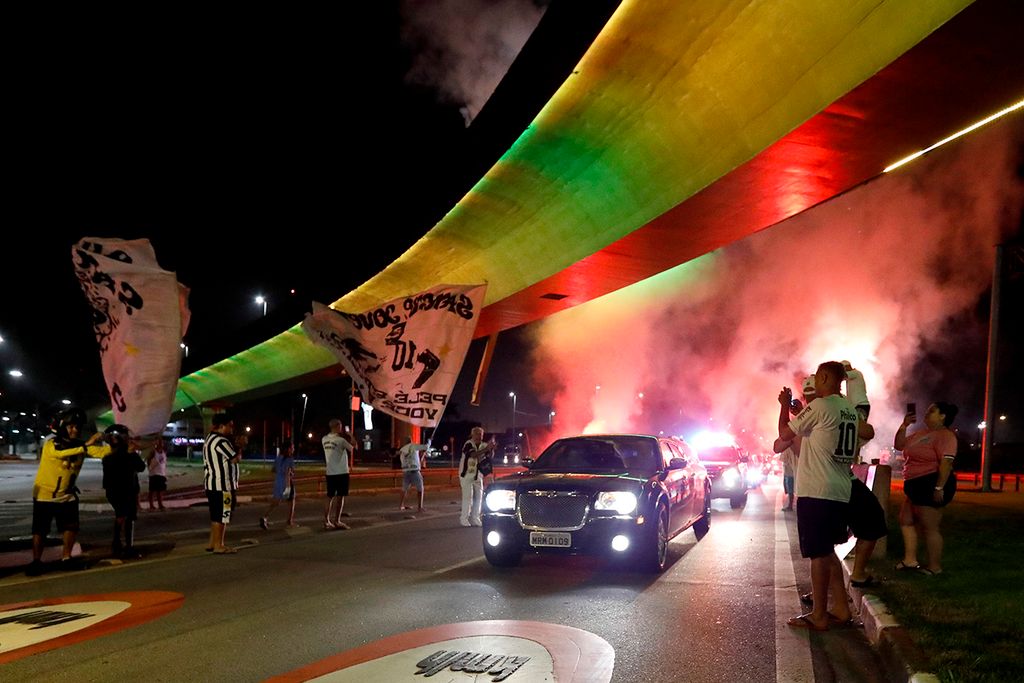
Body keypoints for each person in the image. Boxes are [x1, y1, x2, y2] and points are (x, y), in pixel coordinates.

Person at [775, 361, 873, 631]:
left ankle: (819, 615)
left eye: (817, 377)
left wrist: (784, 406)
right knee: (828, 551)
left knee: (818, 554)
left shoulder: (820, 406)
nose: (814, 383)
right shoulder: (850, 411)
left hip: (816, 491)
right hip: (840, 490)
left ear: (826, 377)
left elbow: (784, 434)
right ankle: (840, 609)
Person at [26, 408, 111, 576]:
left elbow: (103, 453)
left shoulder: (80, 446)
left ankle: (67, 557)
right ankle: (36, 561)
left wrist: (116, 442)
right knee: (40, 530)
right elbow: (60, 453)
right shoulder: (51, 443)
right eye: (71, 426)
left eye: (78, 427)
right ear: (62, 427)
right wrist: (86, 445)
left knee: (71, 527)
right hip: (45, 495)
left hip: (67, 495)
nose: (75, 430)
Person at [894, 402, 958, 575]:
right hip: (915, 484)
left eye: (932, 411)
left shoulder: (945, 435)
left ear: (943, 416)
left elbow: (946, 462)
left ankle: (934, 567)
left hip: (929, 482)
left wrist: (939, 487)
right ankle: (910, 560)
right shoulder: (921, 433)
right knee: (905, 519)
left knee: (930, 526)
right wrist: (904, 425)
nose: (926, 413)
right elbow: (899, 446)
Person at [101, 424, 146, 558]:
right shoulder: (127, 456)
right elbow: (141, 467)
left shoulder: (107, 458)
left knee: (120, 516)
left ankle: (117, 543)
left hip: (113, 491)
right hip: (126, 490)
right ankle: (128, 546)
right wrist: (133, 454)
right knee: (128, 517)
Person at [203, 413, 241, 554]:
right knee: (223, 515)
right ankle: (220, 545)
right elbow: (235, 459)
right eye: (230, 425)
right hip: (223, 485)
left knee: (215, 515)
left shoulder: (209, 439)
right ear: (221, 426)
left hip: (211, 484)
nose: (232, 428)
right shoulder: (221, 441)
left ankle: (212, 543)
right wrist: (240, 447)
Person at [322, 419, 354, 530]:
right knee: (340, 497)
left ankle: (326, 521)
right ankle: (337, 520)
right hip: (341, 472)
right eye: (340, 426)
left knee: (329, 496)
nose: (341, 429)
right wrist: (350, 435)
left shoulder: (324, 439)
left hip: (330, 472)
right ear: (336, 427)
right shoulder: (341, 440)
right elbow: (354, 447)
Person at [459, 427, 492, 527]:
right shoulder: (468, 444)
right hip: (466, 475)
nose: (479, 436)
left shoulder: (483, 444)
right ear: (472, 434)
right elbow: (472, 454)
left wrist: (491, 449)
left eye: (481, 434)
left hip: (478, 475)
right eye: (477, 434)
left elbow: (488, 457)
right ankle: (464, 518)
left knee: (479, 497)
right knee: (467, 497)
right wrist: (487, 449)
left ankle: (476, 517)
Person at [261, 441, 298, 529]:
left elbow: (273, 470)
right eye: (292, 448)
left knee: (275, 502)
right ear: (288, 449)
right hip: (286, 483)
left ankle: (265, 517)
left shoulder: (278, 458)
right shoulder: (290, 459)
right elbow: (288, 474)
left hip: (278, 483)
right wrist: (288, 487)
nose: (293, 449)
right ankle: (290, 521)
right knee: (292, 501)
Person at [398, 436, 428, 512]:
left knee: (404, 489)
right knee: (420, 489)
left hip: (406, 471)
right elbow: (425, 447)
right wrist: (429, 442)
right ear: (411, 441)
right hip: (414, 471)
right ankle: (420, 507)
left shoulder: (402, 449)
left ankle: (401, 505)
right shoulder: (413, 446)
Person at [147, 437, 168, 511]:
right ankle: (151, 505)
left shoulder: (164, 452)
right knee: (152, 490)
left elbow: (164, 463)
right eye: (159, 442)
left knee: (160, 490)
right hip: (154, 473)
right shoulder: (153, 452)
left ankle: (160, 504)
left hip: (161, 473)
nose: (160, 444)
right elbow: (148, 460)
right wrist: (150, 468)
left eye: (161, 442)